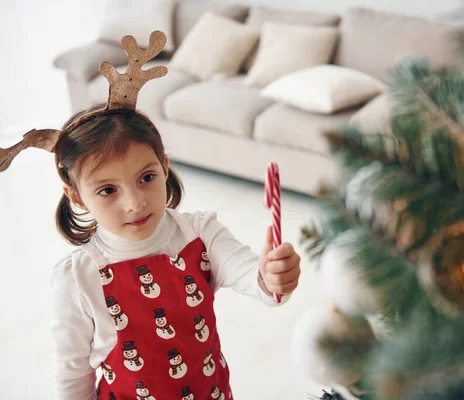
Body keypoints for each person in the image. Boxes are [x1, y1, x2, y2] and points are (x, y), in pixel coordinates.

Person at [0, 31, 301, 400]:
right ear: (77, 198)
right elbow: (72, 374)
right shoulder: (78, 278)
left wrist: (273, 275)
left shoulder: (201, 233)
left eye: (146, 178)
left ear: (164, 166)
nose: (135, 203)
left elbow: (257, 281)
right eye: (108, 190)